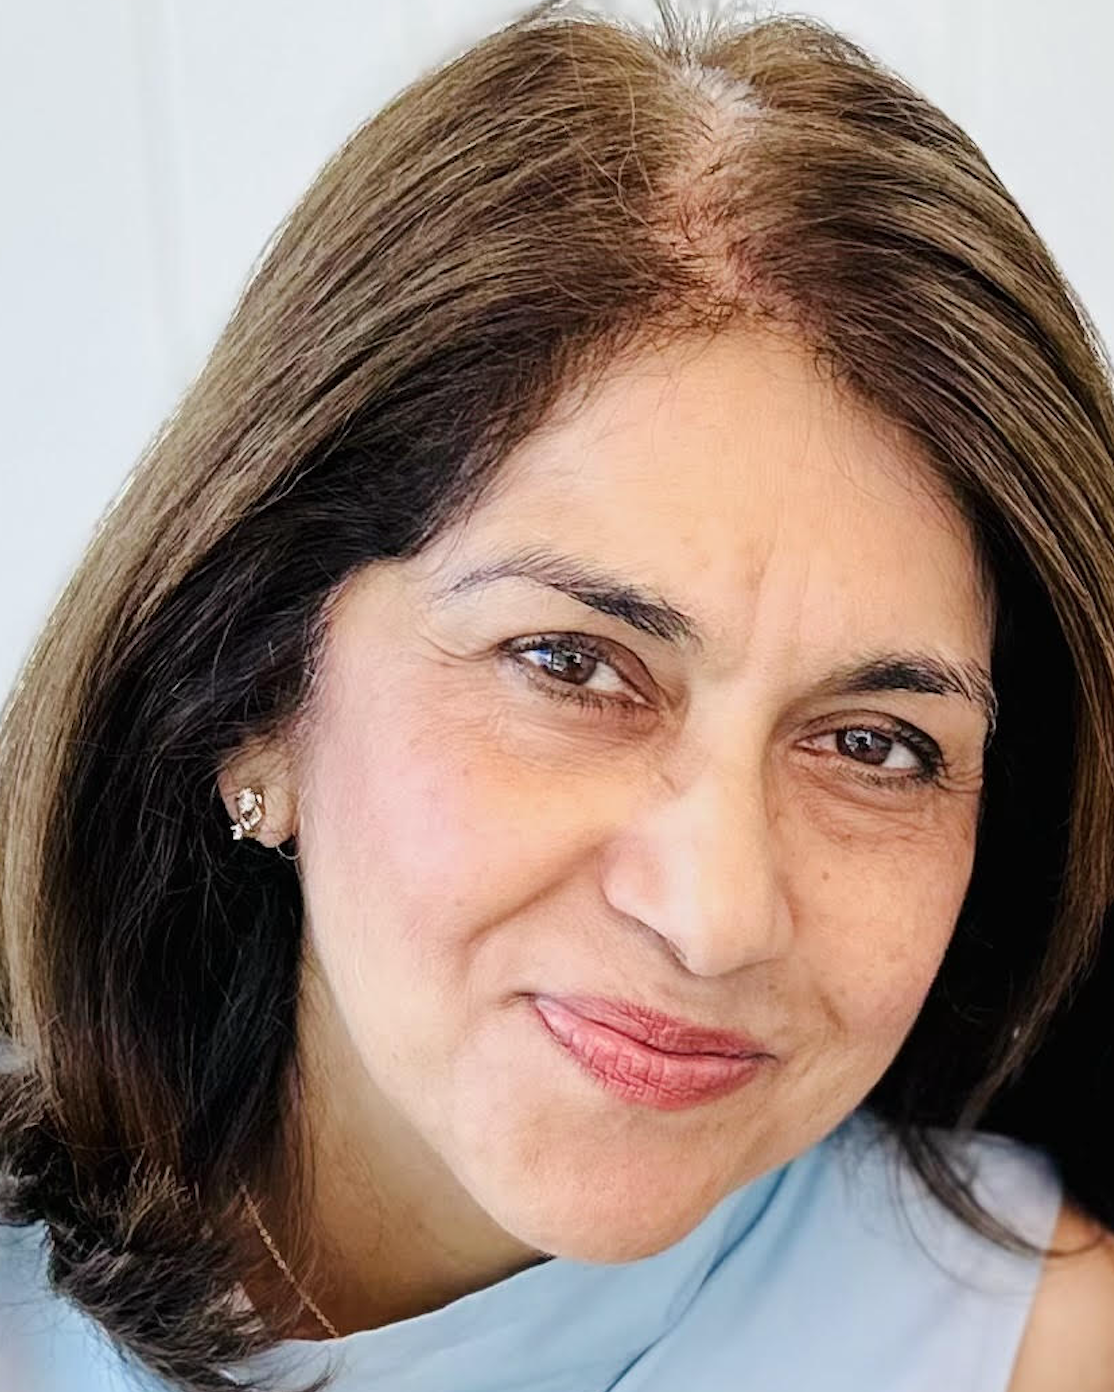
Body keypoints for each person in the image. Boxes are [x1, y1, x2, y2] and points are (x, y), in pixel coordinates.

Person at [2, 1, 1113, 1388]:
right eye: (571, 664)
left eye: (872, 744)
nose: (715, 918)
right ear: (249, 692)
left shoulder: (1041, 1348)